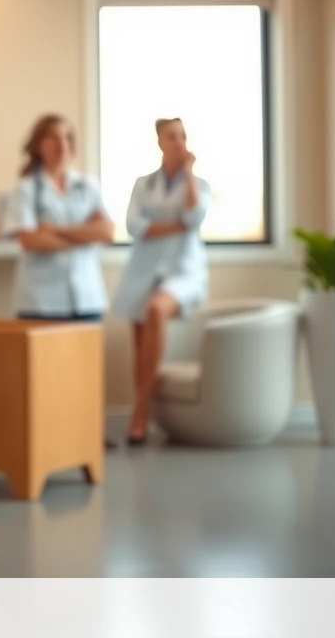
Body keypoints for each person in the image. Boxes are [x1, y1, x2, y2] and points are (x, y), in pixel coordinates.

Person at [112, 117, 211, 445]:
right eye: (172, 136)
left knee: (156, 311)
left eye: (183, 135)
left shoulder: (199, 185)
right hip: (143, 269)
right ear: (160, 142)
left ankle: (139, 412)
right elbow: (134, 226)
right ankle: (141, 413)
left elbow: (193, 220)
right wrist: (174, 226)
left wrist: (190, 176)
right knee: (140, 348)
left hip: (183, 270)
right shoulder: (143, 184)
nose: (179, 141)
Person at [3, 114, 115, 321]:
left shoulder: (87, 185)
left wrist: (56, 230)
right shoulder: (26, 189)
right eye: (54, 138)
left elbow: (107, 232)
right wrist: (85, 236)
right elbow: (31, 241)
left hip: (86, 298)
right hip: (41, 300)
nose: (62, 144)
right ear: (38, 145)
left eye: (67, 137)